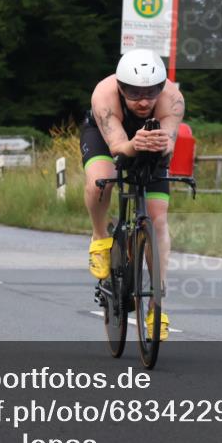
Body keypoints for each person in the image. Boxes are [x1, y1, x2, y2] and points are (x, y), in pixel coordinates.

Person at [79, 48, 185, 341]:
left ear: (161, 88)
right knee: (103, 179)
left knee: (158, 219)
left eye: (151, 93)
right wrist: (132, 144)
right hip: (106, 137)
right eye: (135, 94)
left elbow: (168, 147)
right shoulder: (104, 94)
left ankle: (156, 306)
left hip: (149, 143)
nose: (144, 101)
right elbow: (117, 147)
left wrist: (160, 144)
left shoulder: (173, 99)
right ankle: (101, 238)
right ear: (121, 87)